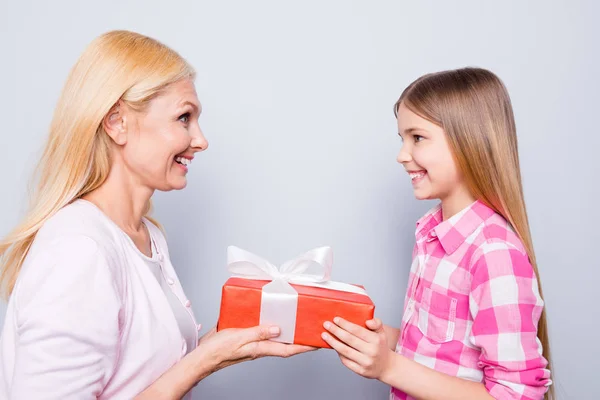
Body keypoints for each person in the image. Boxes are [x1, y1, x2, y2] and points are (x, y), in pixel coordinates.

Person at [0, 30, 312, 400]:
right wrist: (202, 361)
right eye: (184, 118)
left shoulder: (146, 235)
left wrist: (224, 348)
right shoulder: (78, 249)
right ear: (117, 123)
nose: (201, 140)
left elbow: (140, 373)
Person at [321, 67, 554, 400]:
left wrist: (389, 367)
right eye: (402, 139)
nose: (402, 155)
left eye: (417, 138)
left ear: (468, 141)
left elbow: (515, 395)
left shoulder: (494, 253)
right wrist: (378, 338)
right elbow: (444, 355)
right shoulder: (431, 236)